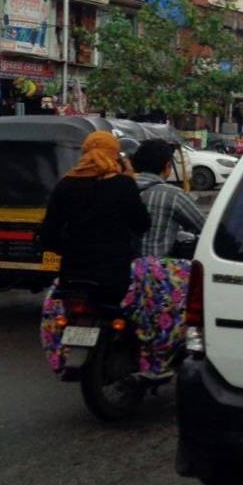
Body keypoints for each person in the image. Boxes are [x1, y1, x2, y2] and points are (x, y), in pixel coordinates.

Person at [121, 139, 206, 378]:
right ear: (167, 166)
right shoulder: (172, 195)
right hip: (153, 274)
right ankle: (165, 352)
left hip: (114, 267)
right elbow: (205, 228)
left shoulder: (116, 186)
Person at [41, 131, 151, 304]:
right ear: (115, 156)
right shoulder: (123, 185)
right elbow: (142, 224)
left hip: (72, 273)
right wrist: (129, 180)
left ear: (84, 154)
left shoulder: (65, 185)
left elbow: (48, 236)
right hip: (113, 275)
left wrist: (72, 250)